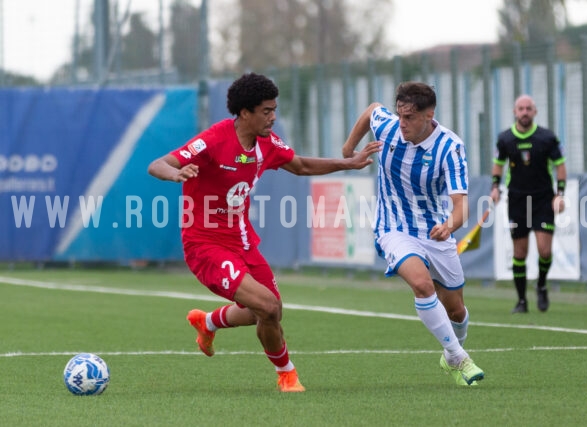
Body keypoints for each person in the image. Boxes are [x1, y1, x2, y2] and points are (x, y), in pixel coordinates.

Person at [148, 72, 381, 392]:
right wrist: (176, 174)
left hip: (242, 242)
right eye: (266, 111)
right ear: (245, 112)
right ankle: (287, 375)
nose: (274, 117)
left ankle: (208, 322)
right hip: (205, 245)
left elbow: (300, 166)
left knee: (270, 312)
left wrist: (349, 164)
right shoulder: (214, 140)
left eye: (275, 110)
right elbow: (157, 164)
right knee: (267, 307)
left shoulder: (267, 144)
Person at [342, 82, 484, 387]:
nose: (401, 123)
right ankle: (459, 357)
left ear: (429, 115)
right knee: (421, 284)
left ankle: (451, 354)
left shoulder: (450, 147)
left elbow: (462, 205)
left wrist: (449, 225)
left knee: (456, 310)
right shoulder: (390, 127)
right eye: (399, 115)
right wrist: (347, 150)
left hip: (435, 231)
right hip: (392, 227)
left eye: (409, 117)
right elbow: (371, 111)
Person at [490, 94, 567, 314]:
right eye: (521, 109)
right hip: (517, 199)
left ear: (535, 112)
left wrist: (559, 194)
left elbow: (560, 166)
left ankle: (541, 285)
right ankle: (521, 301)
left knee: (544, 251)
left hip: (543, 199)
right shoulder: (505, 139)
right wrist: (494, 188)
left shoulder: (547, 138)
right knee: (520, 253)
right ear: (515, 112)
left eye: (528, 108)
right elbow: (498, 165)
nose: (524, 112)